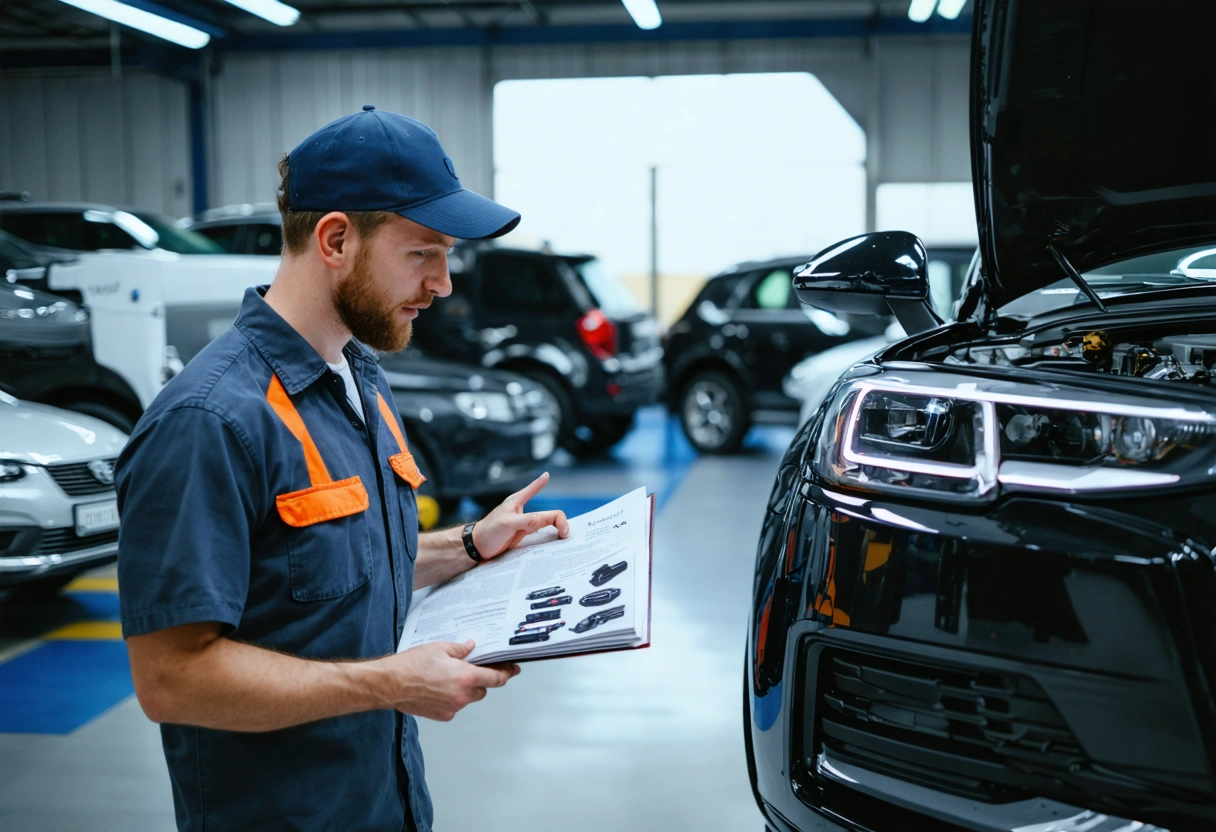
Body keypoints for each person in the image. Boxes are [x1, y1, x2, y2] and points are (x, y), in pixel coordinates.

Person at [115, 106, 570, 832]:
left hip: (385, 802)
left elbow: (332, 558)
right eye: (422, 252)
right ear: (334, 239)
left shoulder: (360, 374)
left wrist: (472, 545)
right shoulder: (208, 422)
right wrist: (390, 682)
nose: (444, 283)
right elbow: (172, 679)